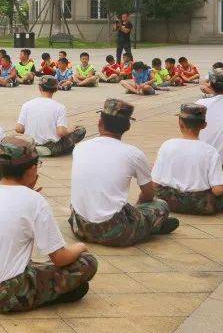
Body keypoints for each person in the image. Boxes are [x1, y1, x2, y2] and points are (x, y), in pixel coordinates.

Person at [0, 136, 97, 313]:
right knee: (88, 261)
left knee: (30, 262)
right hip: (3, 294)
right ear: (32, 168)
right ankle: (47, 295)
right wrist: (80, 246)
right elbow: (59, 258)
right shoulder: (34, 201)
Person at [68, 99, 179, 246]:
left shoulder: (80, 147)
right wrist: (139, 206)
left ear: (100, 122)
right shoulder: (133, 154)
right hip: (116, 233)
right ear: (127, 126)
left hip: (80, 227)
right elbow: (149, 194)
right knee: (160, 205)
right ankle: (150, 225)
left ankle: (147, 224)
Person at [153, 104, 223, 215]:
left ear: (180, 123)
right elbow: (217, 190)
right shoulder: (210, 151)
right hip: (200, 205)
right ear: (204, 125)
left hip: (169, 202)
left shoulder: (167, 145)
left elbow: (155, 182)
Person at [15, 76, 86, 157]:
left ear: (39, 88)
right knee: (80, 130)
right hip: (50, 146)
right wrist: (69, 130)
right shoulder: (60, 107)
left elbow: (18, 129)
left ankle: (33, 149)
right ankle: (46, 150)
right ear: (56, 89)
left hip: (30, 143)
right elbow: (61, 132)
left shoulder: (26, 105)